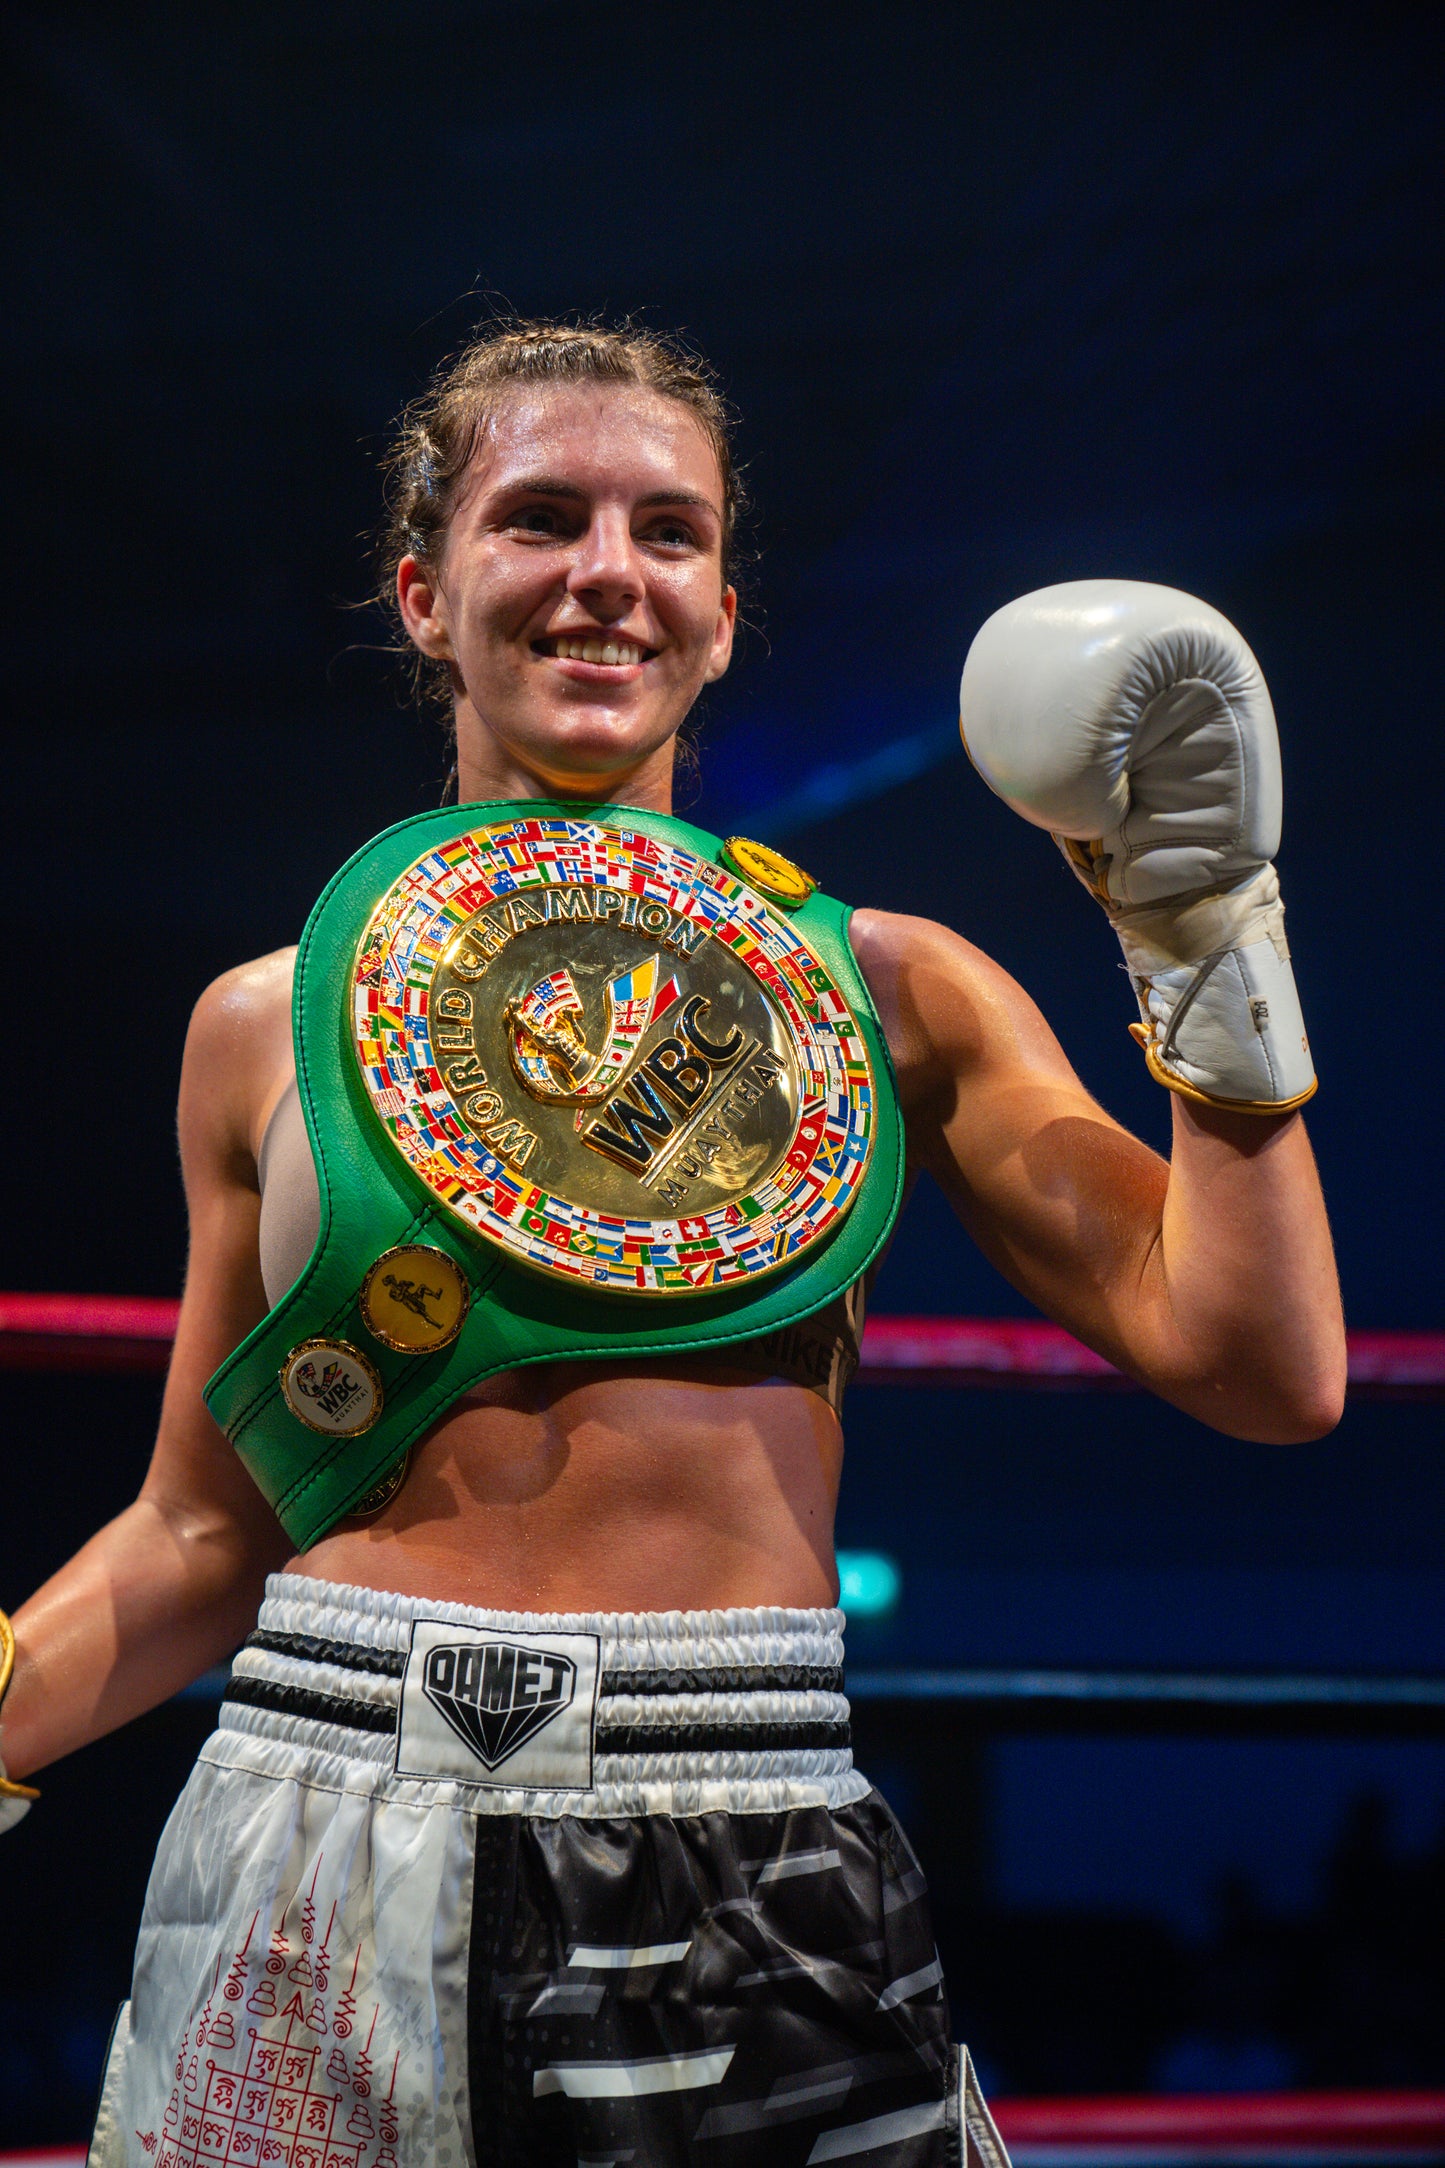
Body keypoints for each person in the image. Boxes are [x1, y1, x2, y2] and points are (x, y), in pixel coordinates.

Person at [0, 323, 1346, 2168]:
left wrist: (1205, 942)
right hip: (317, 1813)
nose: (605, 574)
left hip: (749, 1846)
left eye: (669, 533)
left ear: (718, 613)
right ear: (424, 590)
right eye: (539, 519)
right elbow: (203, 1531)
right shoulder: (266, 1021)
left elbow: (1266, 1367)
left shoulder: (884, 991)